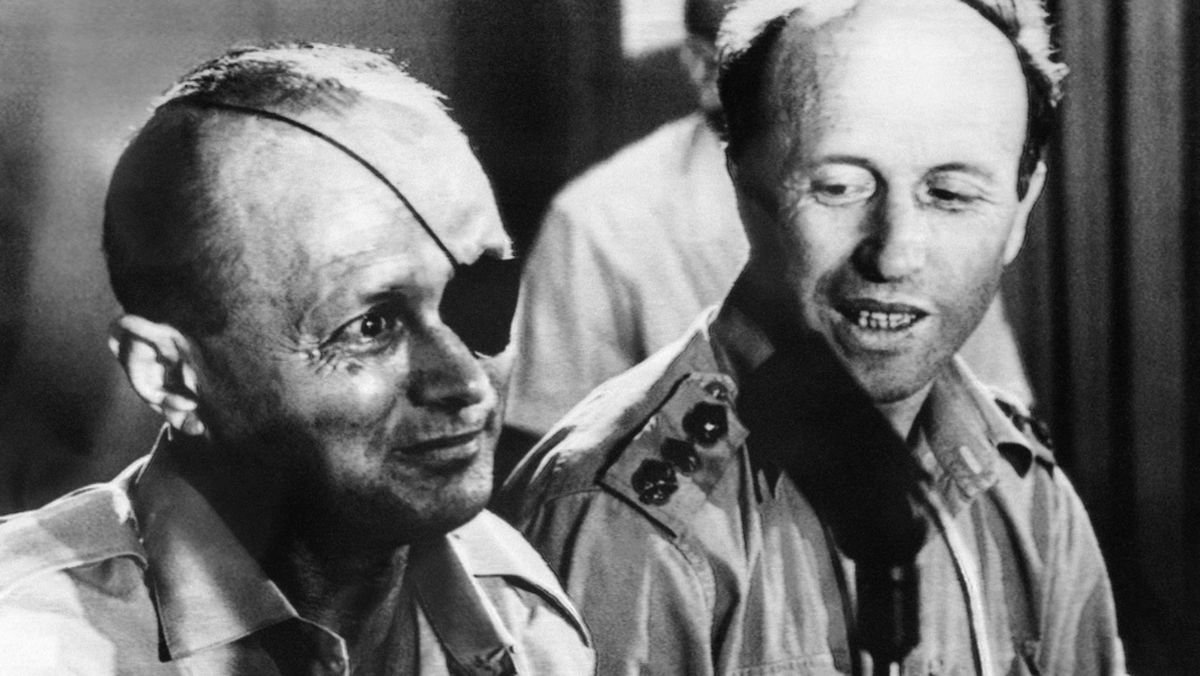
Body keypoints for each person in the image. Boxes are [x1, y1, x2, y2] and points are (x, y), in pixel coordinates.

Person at [495, 1, 1125, 674]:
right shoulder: (626, 523)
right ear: (745, 185)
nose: (895, 254)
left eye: (950, 195)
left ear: (1021, 212)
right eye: (839, 187)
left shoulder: (1029, 497)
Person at [0, 44, 593, 675]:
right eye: (372, 325)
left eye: (478, 295)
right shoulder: (33, 648)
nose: (467, 380)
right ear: (170, 376)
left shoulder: (521, 616)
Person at [504, 0, 1035, 460]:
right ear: (704, 67)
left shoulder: (929, 208)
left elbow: (994, 422)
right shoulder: (598, 222)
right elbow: (548, 452)